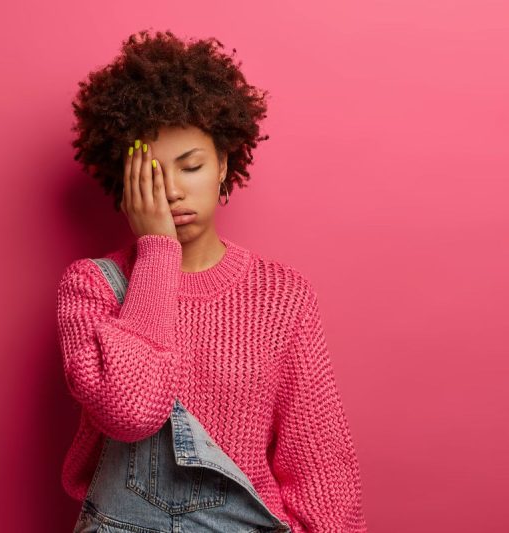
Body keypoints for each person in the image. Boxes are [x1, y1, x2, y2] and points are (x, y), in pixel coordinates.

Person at [57, 29, 368, 532]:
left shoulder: (281, 294)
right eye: (153, 174)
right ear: (125, 182)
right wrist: (157, 250)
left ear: (224, 164)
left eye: (192, 165)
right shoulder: (91, 287)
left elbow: (319, 461)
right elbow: (133, 411)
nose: (174, 190)